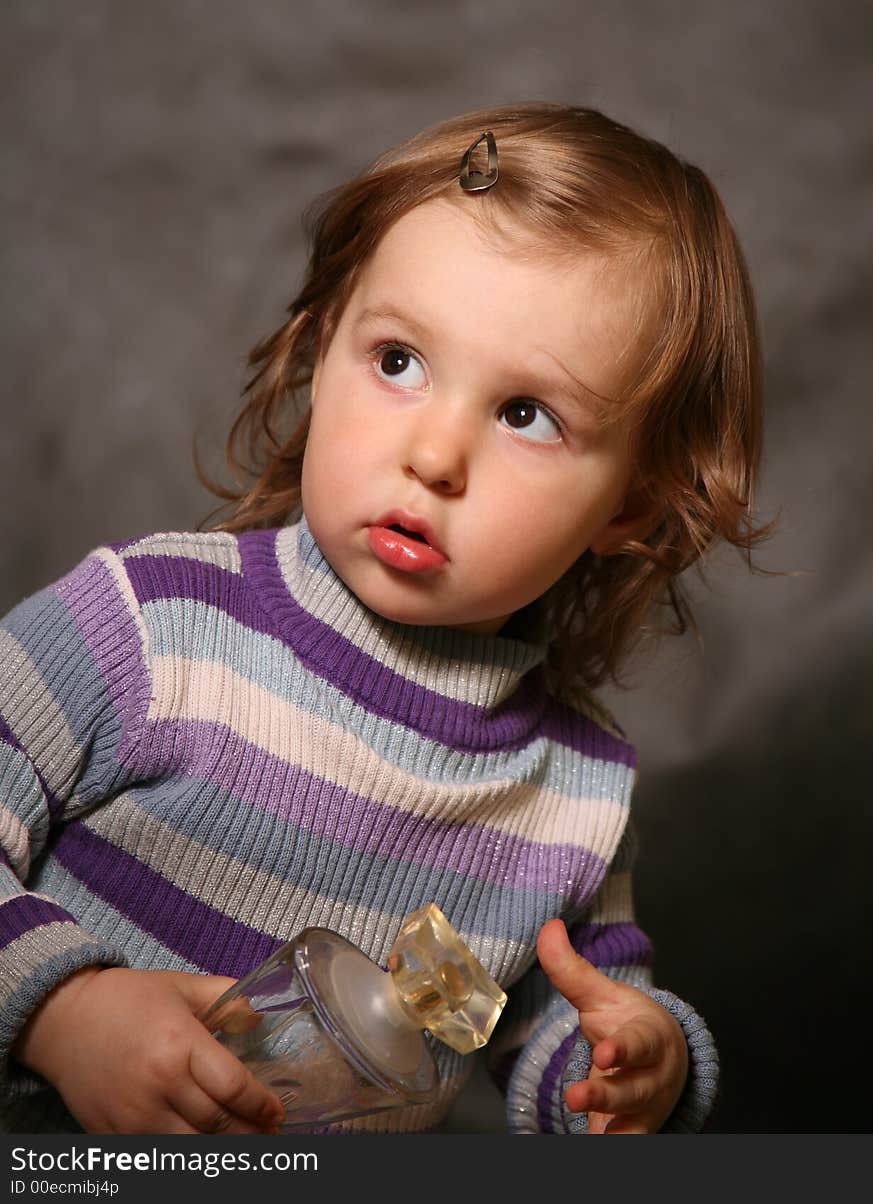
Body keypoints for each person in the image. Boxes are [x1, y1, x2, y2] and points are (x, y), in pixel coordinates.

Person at [0, 102, 769, 1135]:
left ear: (629, 504)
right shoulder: (148, 628)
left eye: (525, 414)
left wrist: (629, 1068)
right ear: (322, 350)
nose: (435, 454)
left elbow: (546, 1034)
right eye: (398, 360)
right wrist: (60, 1004)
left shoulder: (568, 802)